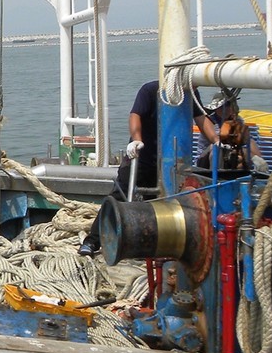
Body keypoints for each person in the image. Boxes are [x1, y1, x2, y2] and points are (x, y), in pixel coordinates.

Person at [78, 79, 219, 256]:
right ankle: (92, 241)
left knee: (158, 206)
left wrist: (217, 141)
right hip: (140, 156)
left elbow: (201, 119)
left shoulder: (191, 95)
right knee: (119, 196)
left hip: (166, 163)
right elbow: (135, 115)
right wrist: (137, 139)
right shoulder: (151, 90)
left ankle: (150, 248)